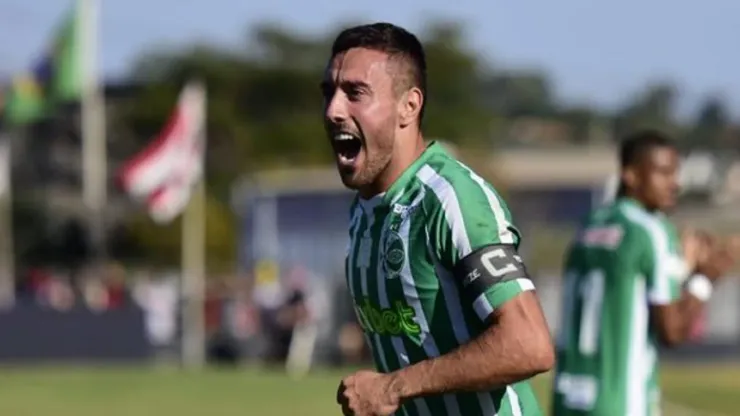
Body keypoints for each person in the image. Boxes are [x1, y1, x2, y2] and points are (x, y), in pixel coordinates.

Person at [322, 22, 554, 416]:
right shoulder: (363, 213)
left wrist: (391, 387)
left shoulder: (452, 198)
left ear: (408, 106)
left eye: (355, 93)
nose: (333, 110)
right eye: (329, 93)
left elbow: (529, 343)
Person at [550, 130, 738, 416]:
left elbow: (625, 284)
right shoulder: (650, 230)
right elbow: (672, 331)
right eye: (664, 173)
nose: (675, 184)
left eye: (676, 173)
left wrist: (681, 269)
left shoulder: (589, 226)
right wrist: (705, 277)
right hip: (620, 400)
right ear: (631, 175)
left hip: (568, 398)